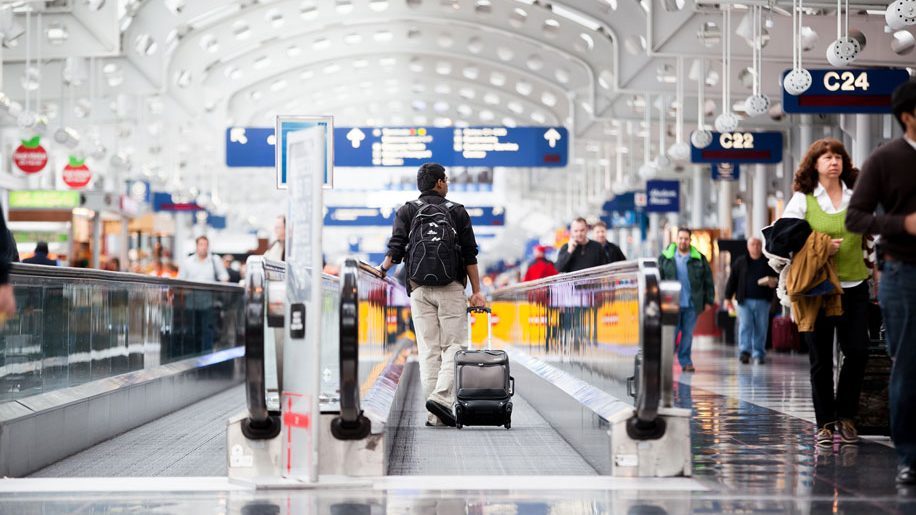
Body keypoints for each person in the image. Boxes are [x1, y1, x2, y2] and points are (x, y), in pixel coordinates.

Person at [845, 79, 916, 484]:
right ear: (907, 116)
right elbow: (856, 217)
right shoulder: (885, 159)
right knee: (908, 364)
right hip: (904, 273)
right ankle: (909, 455)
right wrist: (901, 224)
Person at [379, 162, 485, 428]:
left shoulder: (407, 210)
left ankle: (435, 415)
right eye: (445, 179)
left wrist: (382, 269)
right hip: (451, 287)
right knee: (455, 345)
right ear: (438, 183)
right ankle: (440, 398)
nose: (447, 183)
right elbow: (470, 255)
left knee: (428, 350)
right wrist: (477, 292)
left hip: (418, 288)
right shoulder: (457, 212)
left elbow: (397, 248)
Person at [781, 137, 870, 448]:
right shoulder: (803, 200)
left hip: (855, 285)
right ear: (814, 164)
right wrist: (818, 245)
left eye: (838, 157)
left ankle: (846, 416)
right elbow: (784, 237)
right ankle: (825, 423)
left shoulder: (857, 196)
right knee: (820, 360)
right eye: (827, 157)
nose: (834, 162)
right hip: (817, 290)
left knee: (858, 352)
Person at [658, 228, 714, 372]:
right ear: (677, 239)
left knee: (688, 335)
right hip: (671, 304)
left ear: (690, 240)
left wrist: (709, 300)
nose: (683, 241)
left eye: (686, 239)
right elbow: (659, 278)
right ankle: (666, 362)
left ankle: (686, 361)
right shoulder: (666, 257)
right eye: (681, 238)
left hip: (691, 304)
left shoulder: (698, 258)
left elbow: (708, 280)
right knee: (672, 334)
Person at [724, 237, 777, 365]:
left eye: (758, 244)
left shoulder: (768, 262)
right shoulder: (741, 262)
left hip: (763, 301)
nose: (756, 247)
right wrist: (727, 297)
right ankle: (745, 352)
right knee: (745, 326)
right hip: (744, 301)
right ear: (748, 247)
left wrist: (773, 283)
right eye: (753, 244)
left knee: (761, 327)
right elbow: (732, 280)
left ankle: (758, 353)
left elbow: (777, 278)